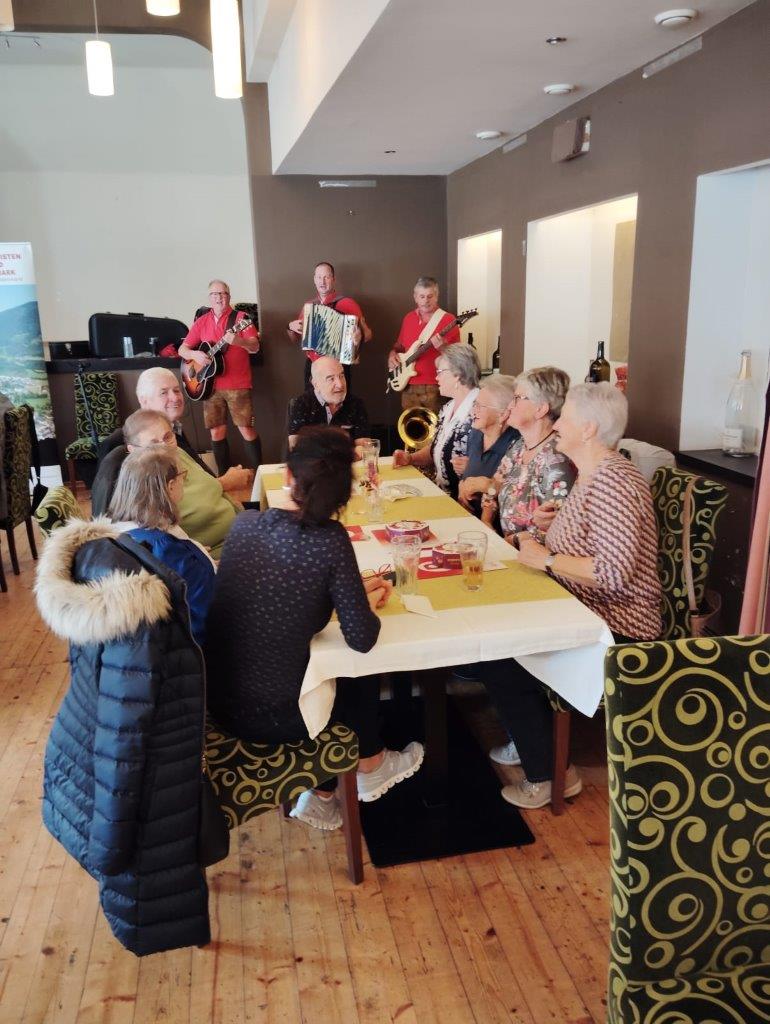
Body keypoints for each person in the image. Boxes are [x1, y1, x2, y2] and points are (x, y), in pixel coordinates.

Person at [206, 426, 424, 830]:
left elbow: (276, 596)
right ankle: (370, 763)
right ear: (345, 492)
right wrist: (361, 604)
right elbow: (362, 639)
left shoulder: (245, 525)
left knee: (316, 655)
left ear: (288, 476)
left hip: (219, 702)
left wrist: (347, 594)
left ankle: (323, 794)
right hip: (279, 717)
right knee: (353, 668)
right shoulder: (330, 540)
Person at [476, 382, 662, 810]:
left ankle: (550, 775)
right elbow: (596, 538)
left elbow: (613, 572)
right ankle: (531, 738)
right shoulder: (595, 471)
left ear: (589, 428)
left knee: (499, 659)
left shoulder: (612, 482)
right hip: (584, 611)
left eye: (566, 418)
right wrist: (554, 524)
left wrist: (546, 558)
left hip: (615, 629)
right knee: (496, 632)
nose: (557, 424)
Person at [36, 516, 210, 956]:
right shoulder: (142, 626)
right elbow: (124, 746)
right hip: (149, 792)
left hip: (78, 758)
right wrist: (110, 848)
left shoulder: (88, 574)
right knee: (146, 875)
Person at [92, 409, 238, 558]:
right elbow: (163, 547)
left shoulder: (178, 453)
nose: (165, 447)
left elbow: (213, 490)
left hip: (235, 534)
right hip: (212, 555)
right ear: (133, 450)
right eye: (153, 444)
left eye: (168, 437)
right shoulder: (148, 488)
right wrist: (195, 550)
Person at [107, 447, 216, 646]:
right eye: (183, 476)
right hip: (196, 647)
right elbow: (205, 613)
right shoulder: (166, 548)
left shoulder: (117, 535)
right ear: (171, 486)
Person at [97, 366, 251, 493]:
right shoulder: (130, 443)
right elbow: (160, 497)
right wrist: (225, 482)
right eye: (164, 392)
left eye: (177, 390)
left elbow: (201, 476)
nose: (175, 398)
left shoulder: (173, 428)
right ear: (144, 401)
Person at [464, 367, 575, 542]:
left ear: (540, 409)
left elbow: (556, 529)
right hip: (505, 543)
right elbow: (494, 486)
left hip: (529, 552)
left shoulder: (557, 460)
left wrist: (510, 542)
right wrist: (486, 521)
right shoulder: (520, 446)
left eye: (517, 398)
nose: (510, 406)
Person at [178, 280, 262, 474]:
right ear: (210, 298)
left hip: (238, 384)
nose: (219, 297)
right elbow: (183, 349)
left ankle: (259, 474)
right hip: (210, 385)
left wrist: (238, 341)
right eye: (215, 294)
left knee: (246, 429)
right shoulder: (202, 321)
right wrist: (195, 355)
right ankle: (224, 478)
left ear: (229, 296)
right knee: (216, 432)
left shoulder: (241, 318)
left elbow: (255, 346)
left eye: (223, 293)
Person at [393, 344, 480, 499]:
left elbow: (496, 456)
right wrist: (410, 458)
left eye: (440, 372)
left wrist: (474, 467)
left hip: (467, 501)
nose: (436, 378)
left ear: (457, 374)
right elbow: (436, 447)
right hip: (443, 495)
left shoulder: (480, 408)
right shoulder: (447, 408)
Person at [287, 262, 372, 387]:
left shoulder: (348, 303)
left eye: (326, 277)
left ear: (333, 279)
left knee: (340, 399)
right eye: (319, 277)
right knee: (311, 399)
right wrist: (290, 327)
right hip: (313, 366)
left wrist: (360, 335)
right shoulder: (309, 306)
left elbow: (368, 334)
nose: (322, 281)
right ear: (314, 279)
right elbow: (295, 339)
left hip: (338, 367)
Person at [387, 276, 461, 414]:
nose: (426, 301)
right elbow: (399, 346)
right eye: (422, 296)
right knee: (410, 425)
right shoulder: (408, 318)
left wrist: (442, 347)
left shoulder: (449, 320)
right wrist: (392, 355)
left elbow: (458, 358)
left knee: (435, 425)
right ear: (415, 297)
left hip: (436, 385)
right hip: (407, 384)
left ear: (436, 297)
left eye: (430, 296)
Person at [456, 374, 519, 515]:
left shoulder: (515, 445)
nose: (473, 411)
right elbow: (469, 472)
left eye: (480, 406)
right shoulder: (476, 433)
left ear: (502, 414)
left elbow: (514, 495)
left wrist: (486, 486)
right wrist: (462, 484)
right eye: (475, 404)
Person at [287, 355, 370, 450]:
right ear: (316, 384)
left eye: (341, 376)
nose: (340, 385)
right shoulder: (301, 404)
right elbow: (296, 448)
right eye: (331, 378)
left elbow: (363, 447)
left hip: (347, 460)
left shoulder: (356, 404)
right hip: (315, 460)